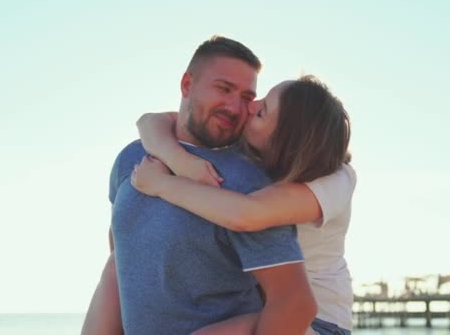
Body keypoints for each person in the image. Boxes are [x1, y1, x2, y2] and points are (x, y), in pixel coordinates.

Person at [81, 35, 317, 335]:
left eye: (247, 97)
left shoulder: (251, 184)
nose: (234, 107)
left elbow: (294, 302)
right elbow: (120, 261)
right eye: (224, 89)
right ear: (186, 85)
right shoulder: (131, 158)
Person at [131, 75, 356, 335]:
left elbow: (248, 214)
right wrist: (178, 159)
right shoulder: (250, 153)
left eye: (261, 111)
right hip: (255, 305)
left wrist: (162, 184)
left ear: (285, 141)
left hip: (318, 322)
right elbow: (151, 121)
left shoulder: (336, 180)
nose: (249, 106)